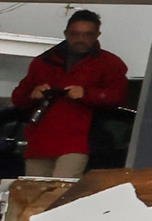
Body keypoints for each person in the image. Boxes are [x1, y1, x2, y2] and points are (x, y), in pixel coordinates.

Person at [7, 11, 131, 210]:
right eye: (75, 34)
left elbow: (119, 97)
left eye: (87, 34)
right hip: (41, 139)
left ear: (97, 35)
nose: (80, 39)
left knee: (61, 193)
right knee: (34, 196)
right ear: (66, 33)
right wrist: (34, 93)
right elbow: (18, 98)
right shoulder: (43, 62)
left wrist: (87, 94)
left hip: (79, 140)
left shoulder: (109, 64)